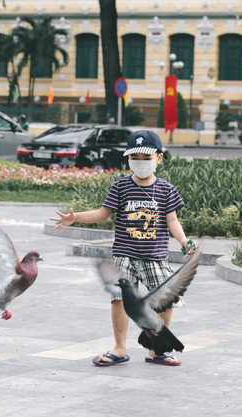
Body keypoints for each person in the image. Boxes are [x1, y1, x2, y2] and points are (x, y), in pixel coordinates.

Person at [50, 129, 195, 366]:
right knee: (119, 298)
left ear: (158, 158)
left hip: (154, 256)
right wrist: (74, 218)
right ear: (128, 159)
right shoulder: (121, 187)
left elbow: (172, 221)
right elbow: (102, 214)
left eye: (146, 158)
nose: (140, 163)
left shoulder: (166, 189)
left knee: (166, 301)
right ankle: (120, 347)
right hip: (124, 254)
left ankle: (157, 348)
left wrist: (184, 241)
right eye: (134, 158)